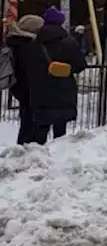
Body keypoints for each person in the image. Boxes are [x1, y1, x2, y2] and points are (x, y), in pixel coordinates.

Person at [15, 8, 87, 144]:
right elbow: (80, 65)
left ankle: (36, 160)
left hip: (40, 96)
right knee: (60, 138)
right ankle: (58, 162)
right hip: (65, 95)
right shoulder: (69, 43)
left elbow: (27, 68)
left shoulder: (33, 45)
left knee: (38, 137)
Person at [4, 15, 45, 144]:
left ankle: (24, 145)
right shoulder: (30, 46)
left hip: (19, 85)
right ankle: (27, 147)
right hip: (30, 86)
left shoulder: (15, 43)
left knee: (26, 117)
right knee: (31, 120)